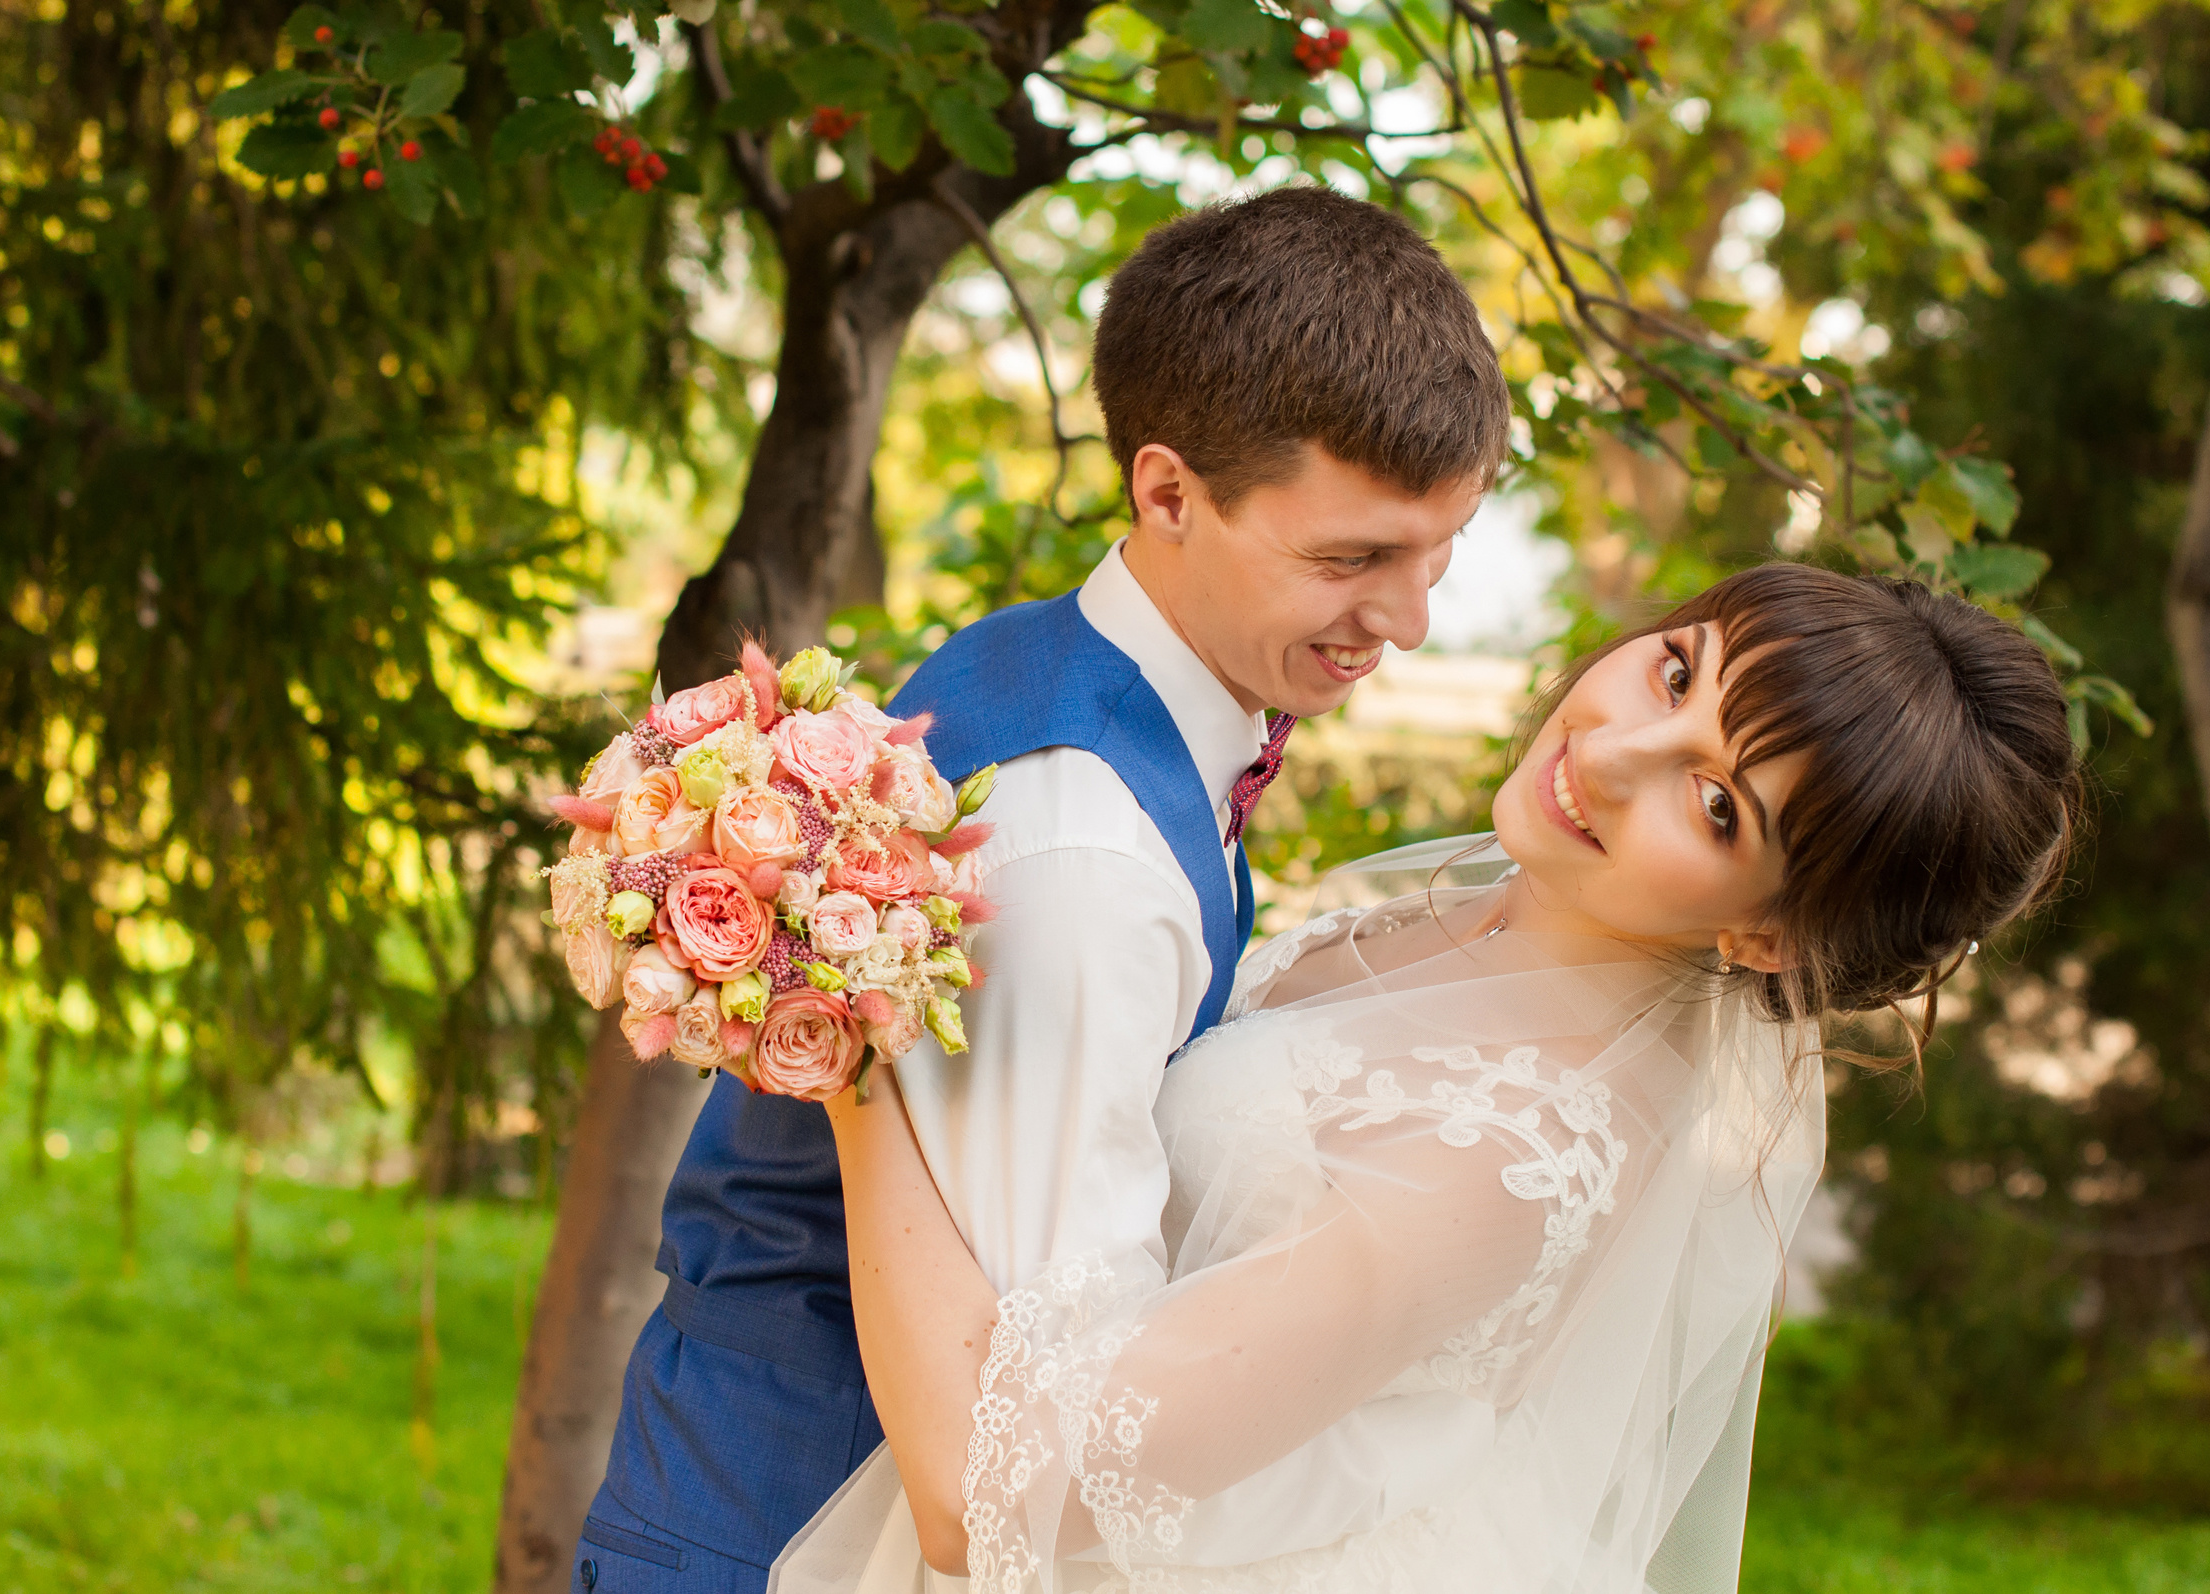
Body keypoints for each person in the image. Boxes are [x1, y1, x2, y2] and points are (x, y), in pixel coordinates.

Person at [782, 563, 2084, 1594]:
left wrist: (854, 1029)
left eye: (1721, 804)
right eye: (1676, 671)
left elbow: (981, 1494)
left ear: (1771, 938)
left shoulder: (1505, 1152)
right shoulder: (1476, 916)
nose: (1615, 752)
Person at [568, 186, 1510, 1593]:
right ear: (1169, 491)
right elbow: (1039, 1444)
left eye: (1434, 555)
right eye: (1350, 559)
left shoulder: (1059, 659)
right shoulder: (1082, 856)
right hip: (790, 1535)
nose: (1407, 619)